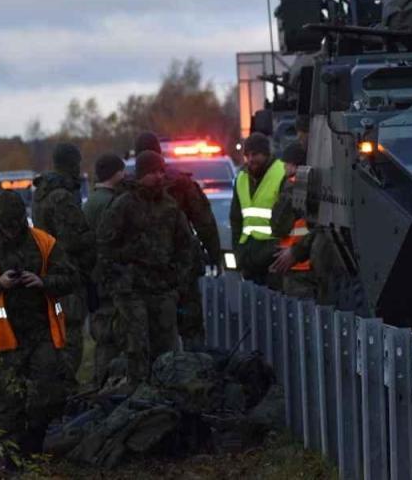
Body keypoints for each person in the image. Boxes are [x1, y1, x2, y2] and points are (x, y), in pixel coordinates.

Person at [0, 190, 74, 455]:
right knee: (8, 402)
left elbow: (70, 277)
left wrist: (43, 281)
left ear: (24, 217)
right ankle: (9, 456)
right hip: (3, 338)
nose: (11, 230)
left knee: (49, 392)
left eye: (16, 223)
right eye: (6, 225)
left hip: (41, 332)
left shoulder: (44, 243)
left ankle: (34, 446)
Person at [96, 149, 195, 384]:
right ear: (140, 175)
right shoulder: (124, 205)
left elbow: (185, 246)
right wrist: (120, 278)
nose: (159, 177)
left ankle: (165, 394)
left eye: (161, 171)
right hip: (131, 290)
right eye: (152, 172)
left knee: (167, 349)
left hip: (163, 289)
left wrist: (177, 283)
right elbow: (104, 245)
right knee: (137, 347)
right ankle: (138, 391)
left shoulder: (170, 207)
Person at [133, 131, 221, 348]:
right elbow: (205, 223)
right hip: (183, 267)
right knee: (190, 326)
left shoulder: (128, 188)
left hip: (145, 271)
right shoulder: (181, 183)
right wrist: (215, 255)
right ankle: (195, 372)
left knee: (151, 328)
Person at [30, 142, 94, 379]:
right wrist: (91, 237)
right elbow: (73, 239)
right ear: (71, 163)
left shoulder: (42, 192)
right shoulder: (61, 197)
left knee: (57, 332)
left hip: (49, 271)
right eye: (77, 162)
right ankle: (63, 387)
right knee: (71, 335)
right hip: (67, 274)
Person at [83, 152, 126, 387]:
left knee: (102, 337)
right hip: (108, 281)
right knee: (111, 338)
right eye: (123, 171)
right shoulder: (110, 202)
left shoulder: (91, 201)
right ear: (116, 173)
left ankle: (101, 385)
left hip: (95, 279)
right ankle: (106, 388)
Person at [229, 133, 286, 286]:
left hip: (274, 259)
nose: (250, 159)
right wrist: (238, 253)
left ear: (266, 154)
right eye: (247, 155)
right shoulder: (241, 177)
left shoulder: (281, 173)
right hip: (249, 258)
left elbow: (289, 220)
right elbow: (236, 219)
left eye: (255, 154)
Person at [268, 143, 318, 299]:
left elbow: (278, 225)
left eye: (285, 165)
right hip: (310, 259)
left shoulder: (293, 187)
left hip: (294, 262)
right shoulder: (315, 183)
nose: (284, 169)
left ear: (292, 165)